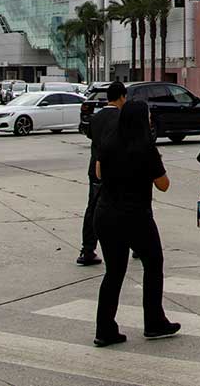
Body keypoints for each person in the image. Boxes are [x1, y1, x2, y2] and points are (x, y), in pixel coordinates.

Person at [92, 99, 179, 345]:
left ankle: (104, 329)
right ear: (142, 119)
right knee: (153, 264)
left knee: (114, 272)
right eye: (149, 115)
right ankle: (154, 321)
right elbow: (163, 185)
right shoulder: (145, 148)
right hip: (135, 216)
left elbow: (98, 173)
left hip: (106, 214)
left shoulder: (109, 142)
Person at [78, 81, 125, 266]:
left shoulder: (95, 118)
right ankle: (135, 244)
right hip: (118, 169)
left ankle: (88, 249)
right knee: (124, 206)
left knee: (93, 208)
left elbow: (91, 137)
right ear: (122, 97)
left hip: (95, 169)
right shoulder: (121, 118)